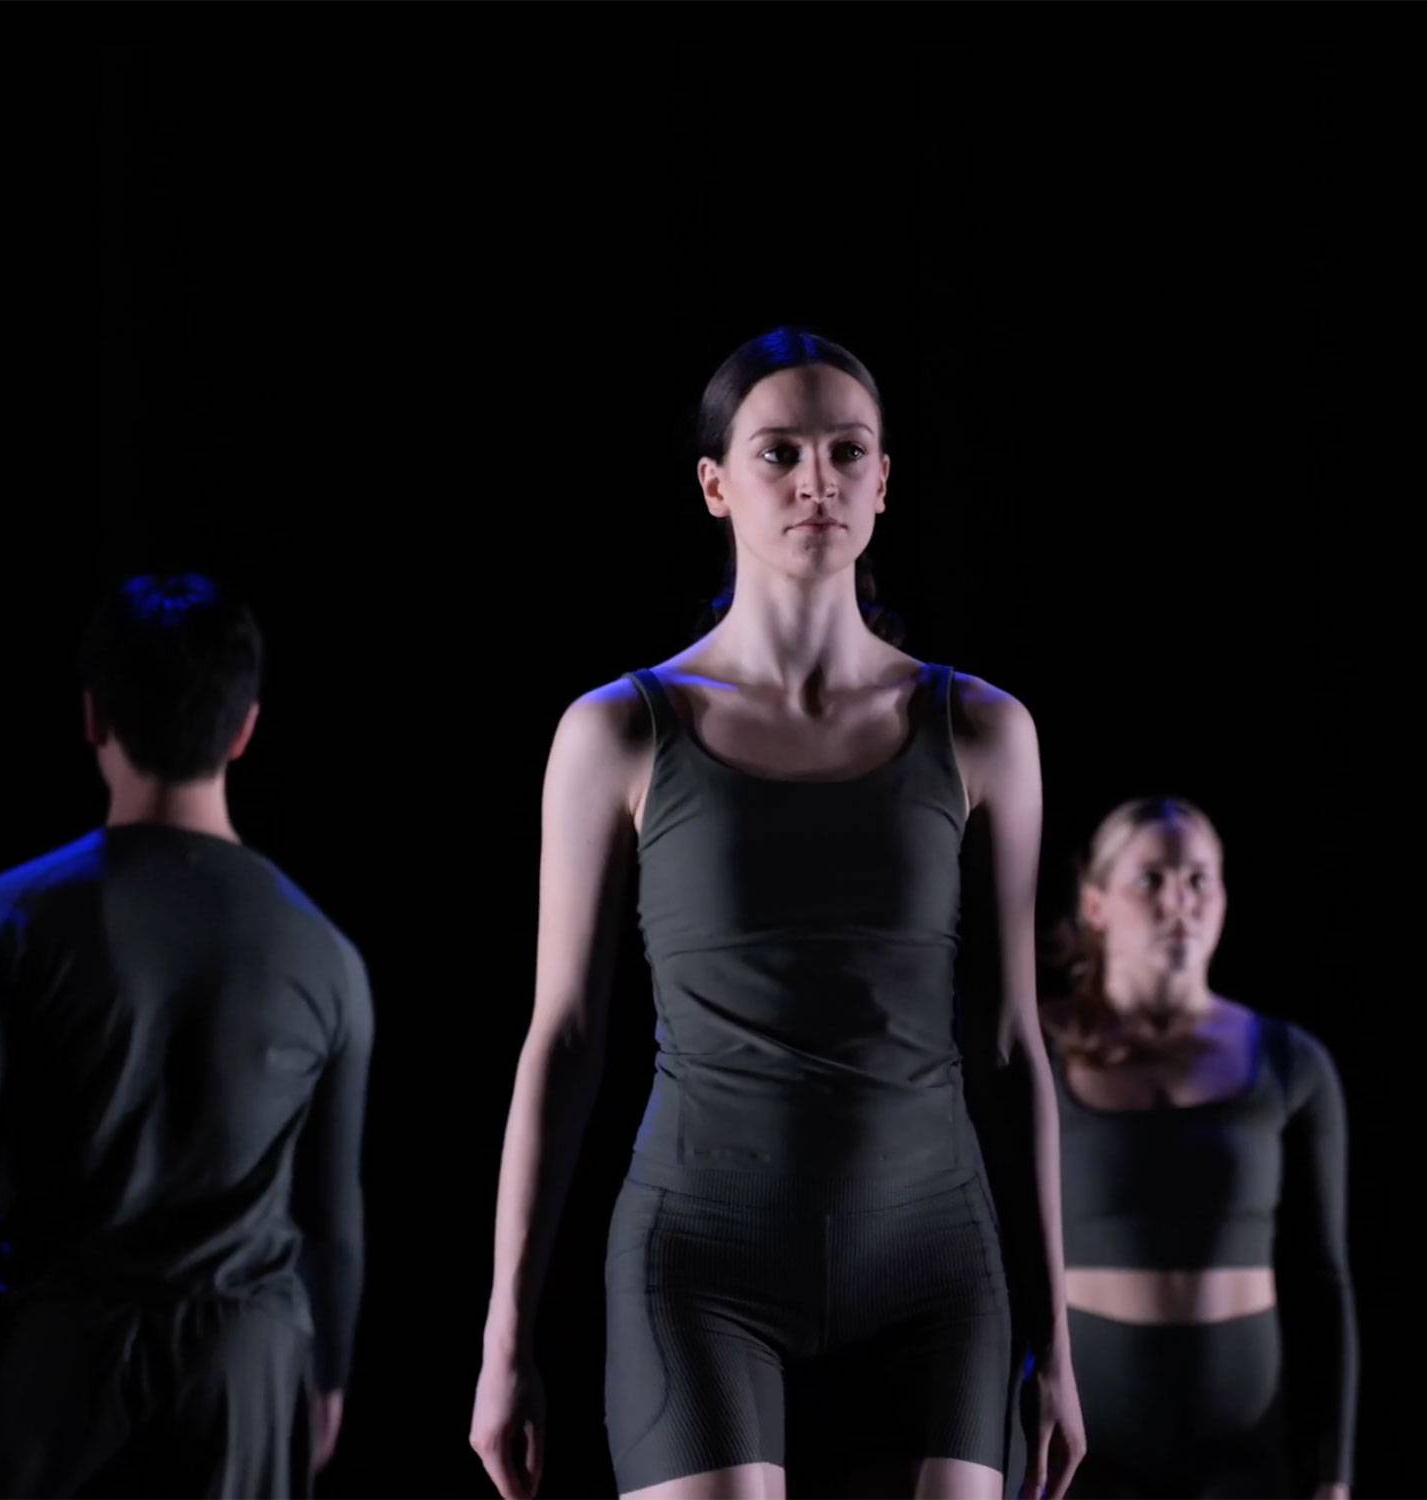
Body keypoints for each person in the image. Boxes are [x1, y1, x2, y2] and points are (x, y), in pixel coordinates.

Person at [469, 328, 1085, 1500]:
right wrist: (503, 1337)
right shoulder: (615, 732)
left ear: (883, 481)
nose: (817, 480)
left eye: (847, 452)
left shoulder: (983, 730)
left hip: (934, 1262)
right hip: (698, 1258)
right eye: (779, 453)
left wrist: (1056, 1336)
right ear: (714, 485)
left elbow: (1012, 1042)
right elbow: (562, 1036)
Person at [0, 573, 372, 1498]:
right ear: (246, 728)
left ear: (93, 717)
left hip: (46, 1373)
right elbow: (332, 1219)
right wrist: (325, 1381)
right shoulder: (328, 957)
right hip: (244, 1376)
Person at [1032, 796, 1355, 1498]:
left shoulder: (1290, 1062)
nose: (1181, 900)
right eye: (1152, 879)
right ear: (1095, 905)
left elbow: (1323, 1283)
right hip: (1079, 1452)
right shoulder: (1034, 1050)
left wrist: (1333, 1477)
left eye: (1200, 879)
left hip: (1241, 1450)